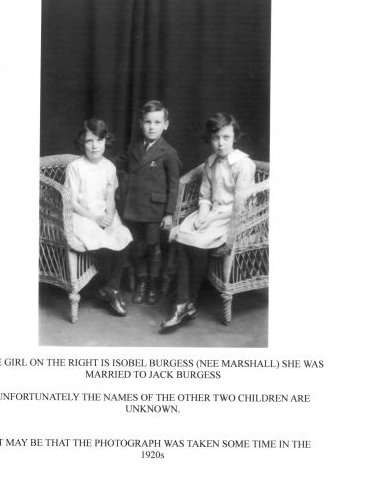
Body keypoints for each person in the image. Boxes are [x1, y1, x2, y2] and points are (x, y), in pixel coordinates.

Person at [161, 112, 256, 331]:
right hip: (211, 213)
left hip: (234, 218)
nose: (221, 143)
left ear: (235, 137)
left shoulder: (244, 165)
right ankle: (184, 302)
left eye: (226, 137)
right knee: (183, 235)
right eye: (216, 138)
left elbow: (241, 204)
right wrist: (203, 215)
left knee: (196, 240)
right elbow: (205, 196)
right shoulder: (210, 162)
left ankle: (186, 301)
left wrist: (210, 218)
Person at [65, 118, 133, 316]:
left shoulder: (109, 167)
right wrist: (95, 219)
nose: (94, 146)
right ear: (82, 142)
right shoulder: (76, 166)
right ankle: (109, 288)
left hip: (104, 215)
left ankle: (111, 287)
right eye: (89, 141)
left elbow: (110, 198)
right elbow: (71, 202)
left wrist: (109, 217)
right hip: (81, 216)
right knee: (101, 238)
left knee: (123, 235)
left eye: (99, 140)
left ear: (106, 141)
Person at [121, 100, 181, 305]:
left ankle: (153, 285)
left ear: (166, 125)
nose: (152, 127)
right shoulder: (134, 148)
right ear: (141, 123)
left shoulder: (169, 152)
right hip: (134, 207)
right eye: (148, 122)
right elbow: (120, 168)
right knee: (137, 248)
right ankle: (142, 282)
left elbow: (174, 186)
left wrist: (169, 213)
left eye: (157, 122)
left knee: (153, 248)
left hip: (155, 210)